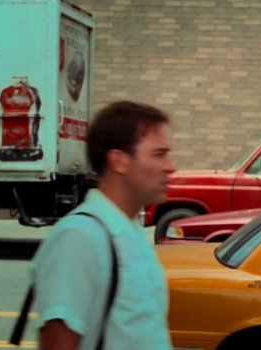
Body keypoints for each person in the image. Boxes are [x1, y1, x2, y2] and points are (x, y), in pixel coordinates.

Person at [31, 101, 176, 349]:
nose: (171, 167)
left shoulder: (129, 232)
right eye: (158, 154)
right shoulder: (79, 239)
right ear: (119, 161)